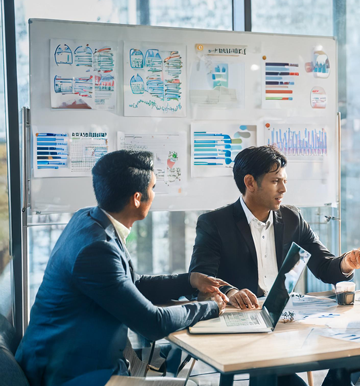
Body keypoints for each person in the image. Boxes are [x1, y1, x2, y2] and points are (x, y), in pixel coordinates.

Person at [15, 150, 229, 386]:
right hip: (68, 374)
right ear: (137, 198)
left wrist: (189, 281)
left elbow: (131, 284)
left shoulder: (88, 219)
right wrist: (210, 307)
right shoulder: (96, 249)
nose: (155, 194)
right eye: (153, 188)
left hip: (76, 359)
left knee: (172, 368)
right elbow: (153, 322)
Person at [189, 145, 360, 386]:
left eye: (285, 181)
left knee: (356, 347)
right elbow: (201, 278)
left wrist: (347, 263)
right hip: (243, 323)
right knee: (273, 371)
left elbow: (324, 267)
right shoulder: (214, 223)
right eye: (276, 181)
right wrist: (231, 292)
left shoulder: (291, 218)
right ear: (250, 182)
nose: (284, 189)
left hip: (286, 318)